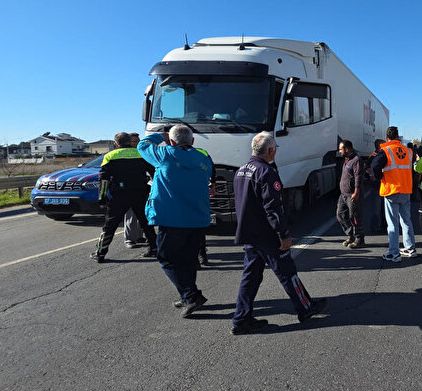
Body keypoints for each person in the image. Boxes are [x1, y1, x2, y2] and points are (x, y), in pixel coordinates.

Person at [230, 132, 327, 335]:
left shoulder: (241, 171)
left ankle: (241, 318)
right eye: (275, 148)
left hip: (249, 233)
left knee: (250, 275)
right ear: (271, 150)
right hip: (267, 234)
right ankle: (306, 308)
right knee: (287, 272)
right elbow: (273, 208)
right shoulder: (266, 172)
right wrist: (283, 234)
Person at [137, 125, 213, 317]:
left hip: (172, 219)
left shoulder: (165, 154)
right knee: (188, 260)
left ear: (171, 142)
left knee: (167, 259)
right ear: (193, 142)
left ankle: (190, 295)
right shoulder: (203, 158)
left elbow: (142, 146)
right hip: (197, 218)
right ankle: (187, 294)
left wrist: (158, 136)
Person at [90, 132, 156, 263]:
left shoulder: (110, 156)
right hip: (140, 193)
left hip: (120, 194)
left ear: (116, 144)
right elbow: (154, 173)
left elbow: (104, 179)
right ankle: (154, 248)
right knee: (146, 222)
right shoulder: (141, 153)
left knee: (110, 225)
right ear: (129, 141)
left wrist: (102, 197)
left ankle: (100, 253)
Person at [371, 127, 416, 262]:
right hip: (406, 189)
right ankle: (410, 248)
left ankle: (394, 253)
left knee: (392, 223)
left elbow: (374, 166)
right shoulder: (408, 151)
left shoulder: (386, 151)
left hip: (391, 190)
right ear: (398, 137)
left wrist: (381, 177)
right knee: (406, 220)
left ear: (387, 137)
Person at [336, 140, 365, 249]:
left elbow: (358, 177)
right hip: (343, 194)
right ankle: (350, 235)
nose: (339, 151)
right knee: (340, 215)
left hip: (353, 194)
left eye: (340, 149)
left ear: (347, 149)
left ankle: (359, 239)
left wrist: (356, 192)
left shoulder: (356, 160)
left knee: (355, 217)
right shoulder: (347, 159)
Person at [123, 132, 148, 249]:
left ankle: (139, 236)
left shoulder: (141, 153)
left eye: (138, 141)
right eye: (134, 141)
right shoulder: (124, 155)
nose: (137, 143)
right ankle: (129, 239)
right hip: (128, 189)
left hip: (142, 187)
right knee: (131, 215)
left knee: (142, 214)